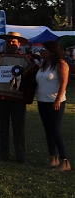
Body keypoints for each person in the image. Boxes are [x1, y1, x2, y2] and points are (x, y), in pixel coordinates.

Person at [0, 31, 38, 164]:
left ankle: (21, 157)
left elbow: (32, 76)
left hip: (18, 98)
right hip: (1, 97)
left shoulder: (26, 59)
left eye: (13, 42)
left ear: (19, 44)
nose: (10, 44)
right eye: (8, 41)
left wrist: (23, 86)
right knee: (2, 128)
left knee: (19, 129)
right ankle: (3, 155)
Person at [35, 41, 70, 171]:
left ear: (52, 51)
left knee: (55, 130)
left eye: (44, 49)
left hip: (55, 101)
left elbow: (64, 83)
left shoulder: (60, 64)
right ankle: (53, 158)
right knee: (48, 130)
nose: (42, 51)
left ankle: (65, 161)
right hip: (42, 101)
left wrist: (58, 100)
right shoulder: (43, 64)